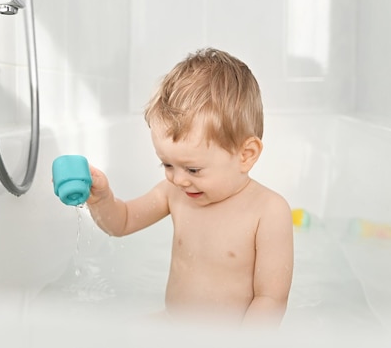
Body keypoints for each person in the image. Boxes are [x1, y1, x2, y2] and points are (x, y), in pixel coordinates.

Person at [85, 47, 294, 328]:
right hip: (173, 325)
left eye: (193, 169)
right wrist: (101, 200)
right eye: (167, 165)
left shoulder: (268, 211)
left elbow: (271, 299)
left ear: (246, 155)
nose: (179, 179)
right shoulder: (175, 193)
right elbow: (120, 223)